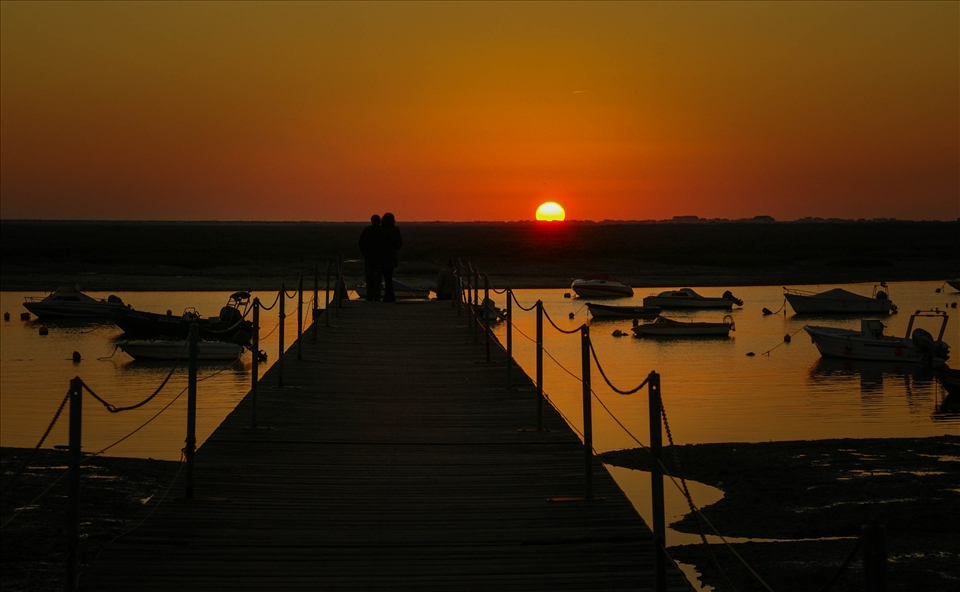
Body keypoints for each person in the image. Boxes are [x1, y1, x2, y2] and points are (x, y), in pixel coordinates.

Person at [358, 214, 383, 302]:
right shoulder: (382, 231)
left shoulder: (367, 230)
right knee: (377, 279)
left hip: (369, 258)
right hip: (378, 258)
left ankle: (370, 297)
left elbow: (361, 243)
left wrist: (365, 254)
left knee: (369, 278)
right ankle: (376, 297)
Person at [379, 212, 403, 302]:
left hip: (384, 257)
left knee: (387, 277)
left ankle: (389, 296)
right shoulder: (395, 229)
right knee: (388, 277)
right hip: (392, 256)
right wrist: (395, 249)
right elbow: (400, 242)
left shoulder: (381, 230)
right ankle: (390, 296)